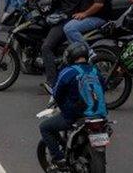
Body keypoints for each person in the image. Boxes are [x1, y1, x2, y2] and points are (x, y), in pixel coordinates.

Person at [40, 42, 107, 172]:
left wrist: (59, 103)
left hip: (76, 116)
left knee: (45, 127)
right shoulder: (95, 71)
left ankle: (59, 160)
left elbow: (57, 93)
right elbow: (103, 88)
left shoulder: (68, 72)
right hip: (100, 116)